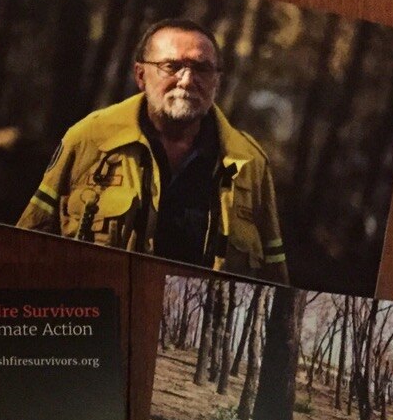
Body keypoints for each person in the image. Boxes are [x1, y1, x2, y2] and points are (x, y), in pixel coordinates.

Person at [17, 18, 288, 284]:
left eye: (202, 69)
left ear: (216, 81)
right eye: (172, 66)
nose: (187, 80)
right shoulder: (89, 140)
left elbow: (274, 278)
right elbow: (27, 242)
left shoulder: (249, 163)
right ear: (140, 75)